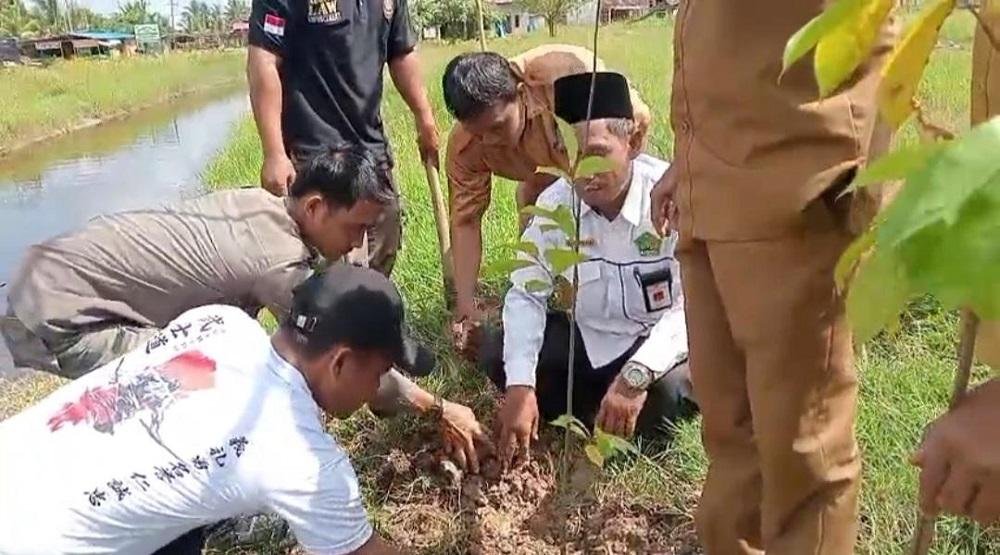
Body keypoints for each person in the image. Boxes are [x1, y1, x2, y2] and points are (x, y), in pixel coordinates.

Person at [1, 147, 489, 473]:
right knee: (203, 386)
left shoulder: (264, 205)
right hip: (67, 314)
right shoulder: (277, 264)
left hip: (47, 274)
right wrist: (439, 408)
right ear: (315, 208)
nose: (358, 243)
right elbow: (345, 361)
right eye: (355, 228)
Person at [654, 2, 897, 553]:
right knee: (730, 435)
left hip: (795, 182)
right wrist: (688, 161)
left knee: (801, 454)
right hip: (711, 179)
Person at [0, 266, 414, 554]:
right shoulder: (303, 460)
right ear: (340, 362)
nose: (375, 389)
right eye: (378, 374)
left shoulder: (218, 322)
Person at [484, 72, 696, 467]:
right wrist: (521, 386)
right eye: (571, 154)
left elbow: (692, 305)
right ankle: (594, 412)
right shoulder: (556, 206)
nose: (584, 170)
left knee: (670, 395)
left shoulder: (671, 201)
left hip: (653, 350)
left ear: (633, 142)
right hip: (589, 342)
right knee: (500, 355)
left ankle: (614, 410)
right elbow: (526, 293)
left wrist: (636, 376)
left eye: (597, 152)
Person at [441, 46, 652, 353]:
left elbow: (635, 123)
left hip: (594, 170)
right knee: (534, 208)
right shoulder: (464, 148)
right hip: (541, 179)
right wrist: (465, 306)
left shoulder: (565, 81)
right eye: (479, 134)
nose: (490, 141)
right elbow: (465, 221)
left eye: (498, 127)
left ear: (521, 95)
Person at [247, 0, 438, 275]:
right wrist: (274, 153)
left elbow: (401, 53)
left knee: (384, 246)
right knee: (331, 271)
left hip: (371, 150)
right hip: (317, 157)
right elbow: (264, 60)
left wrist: (424, 116)